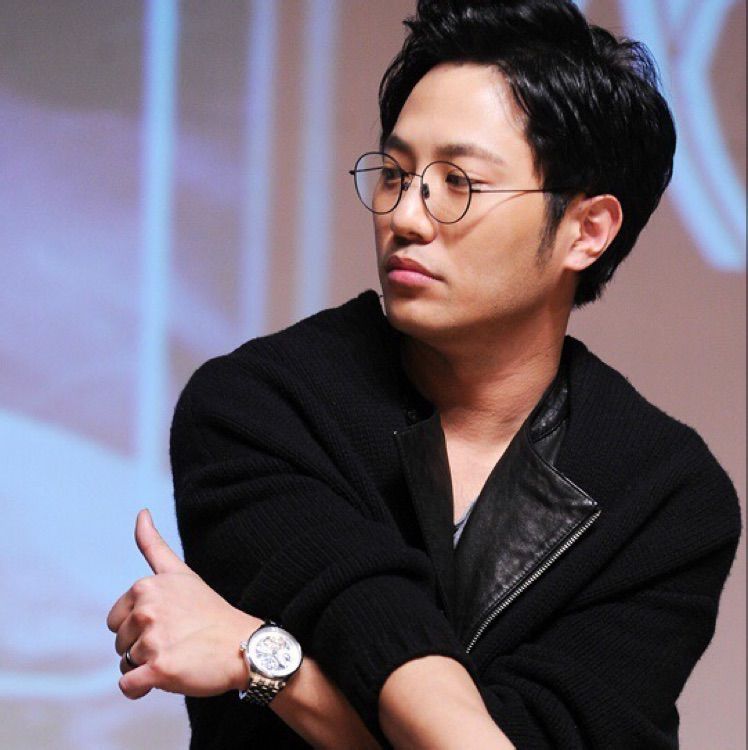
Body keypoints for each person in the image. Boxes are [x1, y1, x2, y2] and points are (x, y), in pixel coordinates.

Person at [107, 1, 741, 748]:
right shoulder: (259, 405)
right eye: (395, 174)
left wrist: (264, 663)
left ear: (586, 230)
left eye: (457, 183)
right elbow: (373, 622)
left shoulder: (665, 495)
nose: (405, 216)